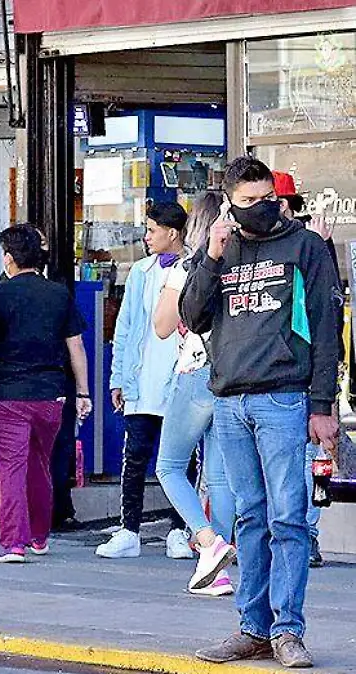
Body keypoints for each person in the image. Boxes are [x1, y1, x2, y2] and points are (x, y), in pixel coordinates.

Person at [185, 157, 340, 669]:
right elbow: (191, 315)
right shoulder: (221, 248)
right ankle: (252, 627)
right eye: (247, 200)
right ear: (228, 201)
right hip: (230, 400)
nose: (259, 207)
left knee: (288, 518)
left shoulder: (306, 248)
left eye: (266, 197)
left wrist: (322, 405)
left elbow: (325, 328)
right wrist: (210, 256)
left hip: (284, 396)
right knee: (250, 518)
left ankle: (287, 629)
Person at [0, 226, 92, 563]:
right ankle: (40, 536)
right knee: (40, 465)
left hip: (9, 394)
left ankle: (14, 542)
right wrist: (83, 392)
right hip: (50, 396)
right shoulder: (58, 295)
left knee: (12, 469)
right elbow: (76, 347)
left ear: (9, 258)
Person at [151, 193, 237, 597]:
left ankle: (207, 540)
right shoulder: (239, 266)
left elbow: (163, 326)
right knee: (219, 477)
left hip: (194, 372)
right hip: (230, 374)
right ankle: (215, 571)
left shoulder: (187, 267)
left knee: (169, 466)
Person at [97, 202, 191, 561]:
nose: (147, 236)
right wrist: (118, 377)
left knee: (181, 461)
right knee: (134, 457)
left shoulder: (195, 266)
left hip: (181, 380)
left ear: (173, 233)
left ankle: (178, 529)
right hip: (141, 380)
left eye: (152, 230)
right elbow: (125, 327)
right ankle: (128, 530)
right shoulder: (139, 271)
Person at [275, 171, 339, 570]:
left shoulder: (310, 247)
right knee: (296, 461)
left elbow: (328, 317)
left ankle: (306, 534)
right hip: (285, 371)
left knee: (306, 459)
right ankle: (299, 534)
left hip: (307, 369)